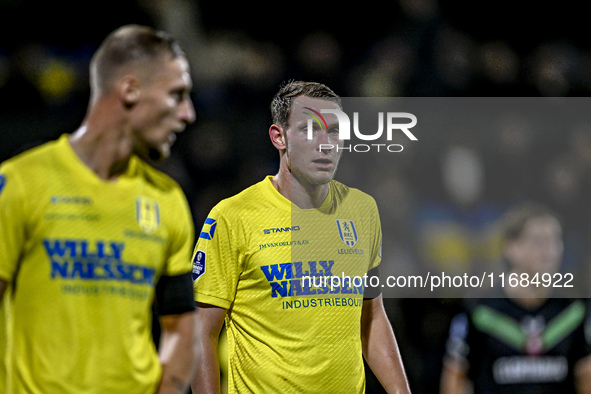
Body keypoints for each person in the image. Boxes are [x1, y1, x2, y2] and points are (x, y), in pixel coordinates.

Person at [0, 25, 198, 393]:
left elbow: (180, 328)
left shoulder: (167, 200)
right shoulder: (20, 183)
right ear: (130, 89)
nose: (188, 115)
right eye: (177, 96)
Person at [191, 80, 411, 393]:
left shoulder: (362, 210)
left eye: (334, 131)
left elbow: (372, 317)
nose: (325, 143)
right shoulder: (232, 217)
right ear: (279, 137)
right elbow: (201, 331)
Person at [440, 201, 591, 394]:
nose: (549, 251)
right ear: (510, 248)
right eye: (538, 241)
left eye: (555, 240)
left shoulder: (573, 311)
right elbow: (455, 378)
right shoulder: (480, 311)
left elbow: (586, 377)